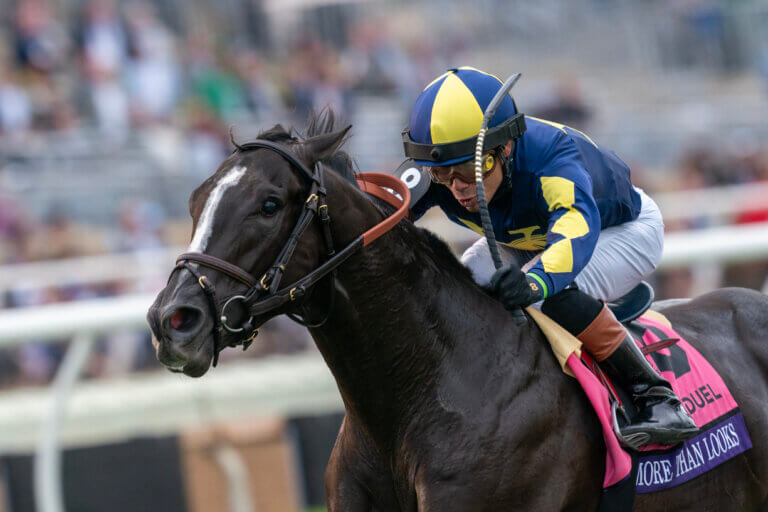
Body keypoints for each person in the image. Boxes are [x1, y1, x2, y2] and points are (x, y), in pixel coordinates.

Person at [402, 66, 697, 448]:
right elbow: (377, 212)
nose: (458, 188)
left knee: (544, 295)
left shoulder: (552, 159)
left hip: (618, 231)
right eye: (443, 176)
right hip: (530, 240)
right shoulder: (442, 165)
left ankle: (656, 397)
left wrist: (533, 280)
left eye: (471, 170)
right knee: (459, 289)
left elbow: (575, 232)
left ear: (505, 148)